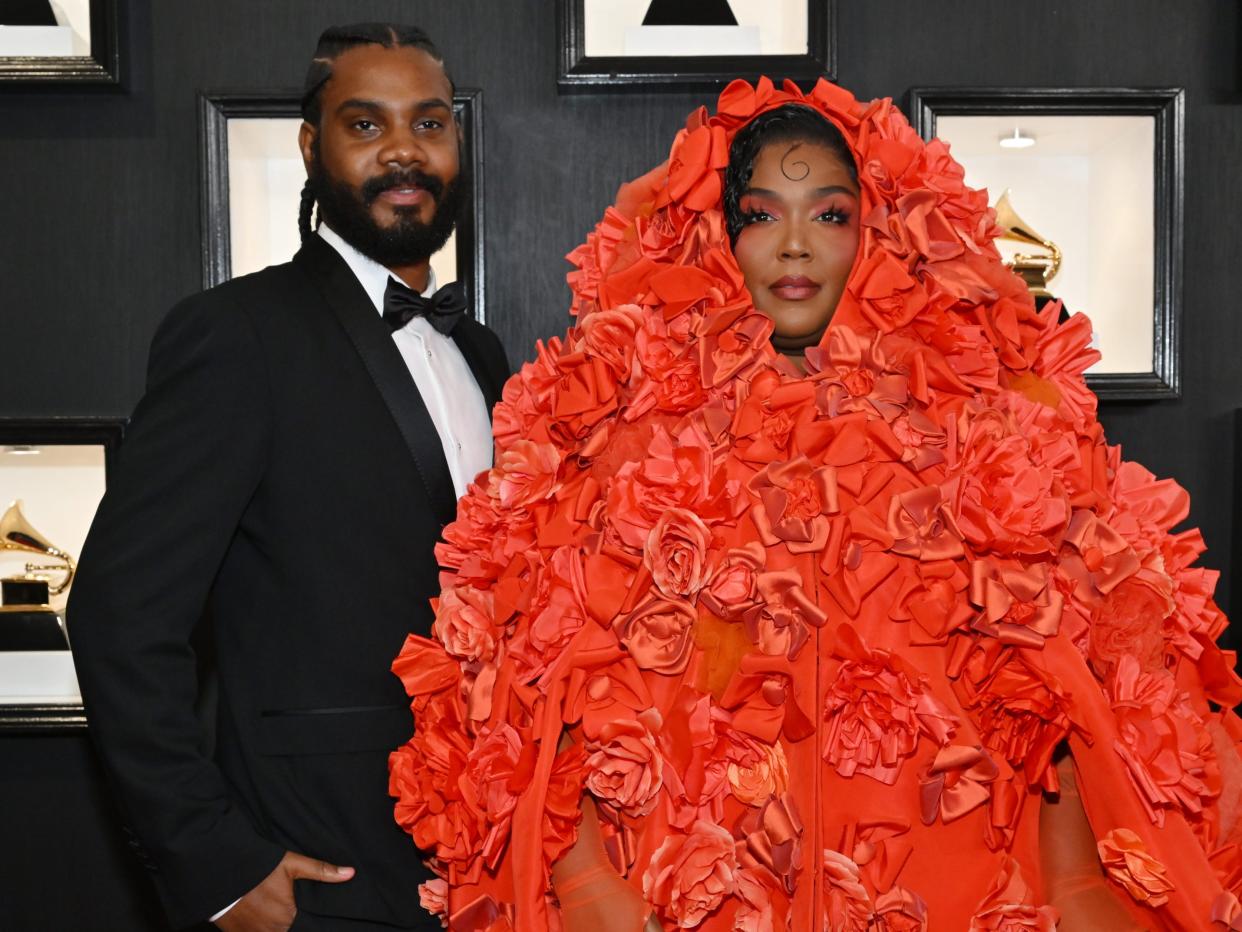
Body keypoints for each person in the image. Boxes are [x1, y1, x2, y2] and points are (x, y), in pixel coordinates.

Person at [390, 78, 1242, 931]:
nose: (794, 246)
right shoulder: (632, 437)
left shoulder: (973, 434)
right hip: (700, 887)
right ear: (721, 236)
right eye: (762, 215)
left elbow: (1081, 683)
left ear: (877, 233)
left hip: (937, 873)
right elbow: (539, 696)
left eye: (830, 216)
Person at [69, 22, 508, 932]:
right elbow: (120, 615)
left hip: (490, 867)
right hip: (323, 878)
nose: (403, 151)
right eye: (365, 124)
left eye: (429, 125)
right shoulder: (236, 337)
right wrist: (215, 862)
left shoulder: (483, 354)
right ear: (312, 148)